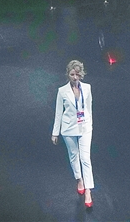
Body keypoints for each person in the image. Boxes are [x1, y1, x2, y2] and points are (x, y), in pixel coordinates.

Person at [52, 60, 94, 208]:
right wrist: (55, 132)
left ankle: (88, 190)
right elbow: (58, 112)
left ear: (81, 74)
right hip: (69, 128)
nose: (75, 77)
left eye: (77, 74)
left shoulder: (87, 88)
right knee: (74, 156)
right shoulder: (62, 91)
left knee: (85, 158)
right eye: (72, 74)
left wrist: (90, 124)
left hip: (84, 127)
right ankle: (79, 179)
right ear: (68, 74)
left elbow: (89, 108)